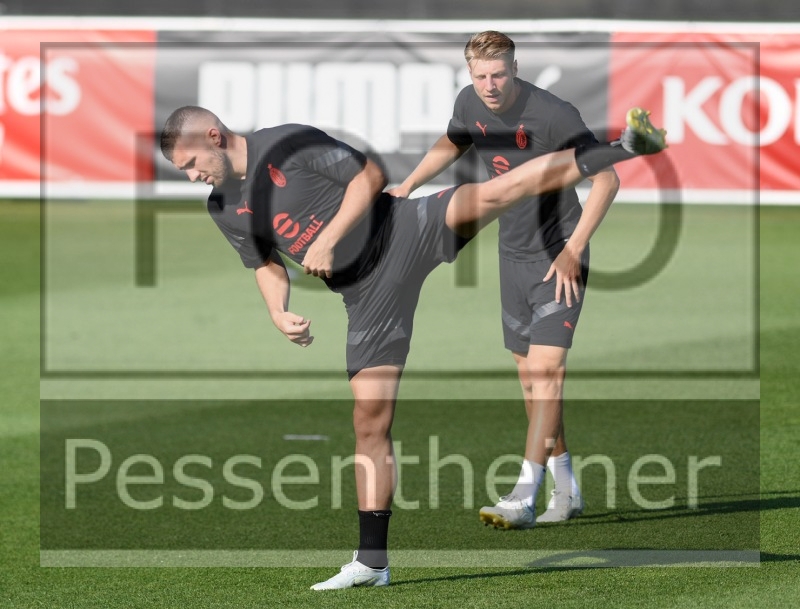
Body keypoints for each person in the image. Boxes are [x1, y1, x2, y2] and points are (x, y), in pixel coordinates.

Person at [159, 104, 665, 588]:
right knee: (369, 420)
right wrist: (277, 309)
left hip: (406, 230)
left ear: (214, 138)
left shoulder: (288, 144)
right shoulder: (222, 207)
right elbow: (262, 261)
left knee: (495, 192)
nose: (192, 177)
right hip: (365, 297)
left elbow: (370, 178)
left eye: (190, 164)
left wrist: (330, 237)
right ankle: (372, 562)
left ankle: (620, 147)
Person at [389, 31, 624, 529]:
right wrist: (408, 185)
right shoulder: (469, 102)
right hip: (511, 256)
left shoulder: (554, 114)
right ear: (469, 74)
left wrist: (574, 249)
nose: (490, 85)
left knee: (546, 374)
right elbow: (453, 140)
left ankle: (523, 494)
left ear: (515, 68)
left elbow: (607, 178)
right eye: (480, 76)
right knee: (530, 380)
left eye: (499, 74)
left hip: (558, 256)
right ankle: (567, 489)